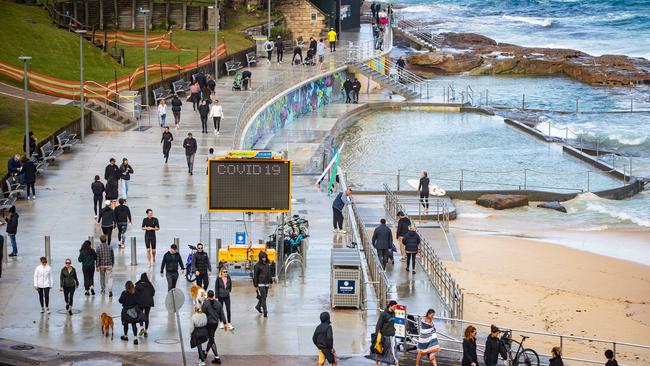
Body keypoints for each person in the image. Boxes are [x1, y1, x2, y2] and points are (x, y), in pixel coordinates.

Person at [202, 290, 230, 364]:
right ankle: (205, 353)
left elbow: (202, 313)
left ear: (208, 295)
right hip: (215, 324)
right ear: (213, 295)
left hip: (208, 324)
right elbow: (222, 314)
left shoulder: (205, 303)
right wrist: (225, 323)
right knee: (211, 338)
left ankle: (217, 358)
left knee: (211, 339)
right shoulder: (218, 303)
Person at [374, 300, 399, 366]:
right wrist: (376, 335)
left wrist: (394, 329)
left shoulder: (394, 313)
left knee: (394, 349)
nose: (395, 308)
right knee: (381, 350)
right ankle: (376, 362)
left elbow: (392, 323)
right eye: (394, 306)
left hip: (392, 335)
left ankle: (396, 362)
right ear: (390, 306)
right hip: (384, 335)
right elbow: (378, 325)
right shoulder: (383, 314)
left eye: (396, 307)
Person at [119, 280, 142, 345]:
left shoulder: (124, 293)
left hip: (125, 312)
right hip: (133, 311)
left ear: (126, 287)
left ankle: (125, 336)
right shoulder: (135, 293)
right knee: (133, 324)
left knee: (125, 324)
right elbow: (139, 301)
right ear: (133, 286)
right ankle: (135, 338)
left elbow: (120, 301)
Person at [253, 251, 272, 317]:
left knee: (264, 297)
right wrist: (255, 285)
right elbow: (255, 276)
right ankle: (265, 312)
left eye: (265, 257)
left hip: (266, 283)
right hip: (260, 283)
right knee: (264, 298)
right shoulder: (257, 266)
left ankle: (258, 306)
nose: (264, 258)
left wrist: (270, 282)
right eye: (263, 257)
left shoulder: (267, 265)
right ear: (260, 258)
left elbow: (270, 274)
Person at [135, 273, 155, 337]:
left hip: (140, 303)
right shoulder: (149, 284)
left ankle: (142, 328)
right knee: (146, 316)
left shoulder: (137, 285)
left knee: (140, 315)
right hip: (148, 303)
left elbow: (135, 294)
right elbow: (153, 292)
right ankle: (146, 331)